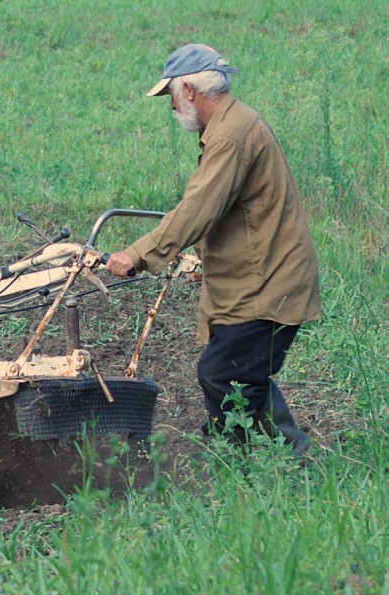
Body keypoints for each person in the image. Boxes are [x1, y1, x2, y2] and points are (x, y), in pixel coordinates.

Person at [105, 44, 320, 455]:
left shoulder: (231, 136)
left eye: (170, 95)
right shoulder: (232, 126)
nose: (170, 106)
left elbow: (198, 210)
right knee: (240, 375)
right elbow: (233, 212)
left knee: (223, 374)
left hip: (268, 285)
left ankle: (274, 460)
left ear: (189, 88)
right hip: (259, 277)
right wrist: (203, 258)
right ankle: (248, 458)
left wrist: (137, 254)